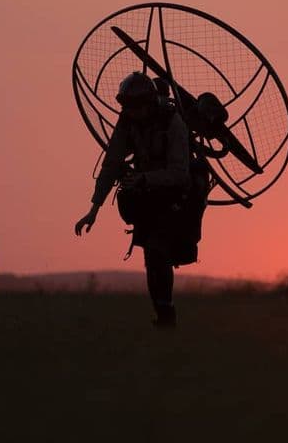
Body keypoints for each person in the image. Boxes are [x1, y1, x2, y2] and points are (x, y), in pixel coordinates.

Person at [74, 72, 207, 327]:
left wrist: (145, 178)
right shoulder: (128, 122)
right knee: (150, 254)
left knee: (159, 250)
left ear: (149, 102)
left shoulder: (173, 123)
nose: (131, 113)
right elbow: (112, 163)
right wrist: (94, 209)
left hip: (179, 194)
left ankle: (167, 317)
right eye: (127, 108)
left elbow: (180, 174)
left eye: (135, 107)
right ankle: (163, 316)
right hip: (148, 194)